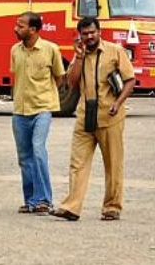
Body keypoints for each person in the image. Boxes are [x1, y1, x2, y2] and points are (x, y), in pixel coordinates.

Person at [51, 17, 134, 221]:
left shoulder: (115, 52)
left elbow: (130, 80)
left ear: (99, 32)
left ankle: (112, 206)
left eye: (92, 33)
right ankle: (72, 207)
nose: (89, 37)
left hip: (109, 115)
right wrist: (78, 58)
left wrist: (118, 103)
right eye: (85, 34)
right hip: (85, 115)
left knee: (113, 163)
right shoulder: (80, 55)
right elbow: (71, 82)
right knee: (77, 163)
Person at [10, 12, 66, 215]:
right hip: (20, 112)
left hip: (42, 109)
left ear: (33, 30)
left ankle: (44, 199)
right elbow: (16, 78)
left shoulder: (51, 49)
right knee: (24, 157)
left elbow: (60, 78)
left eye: (21, 26)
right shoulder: (15, 50)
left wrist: (46, 97)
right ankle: (31, 200)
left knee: (38, 151)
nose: (16, 29)